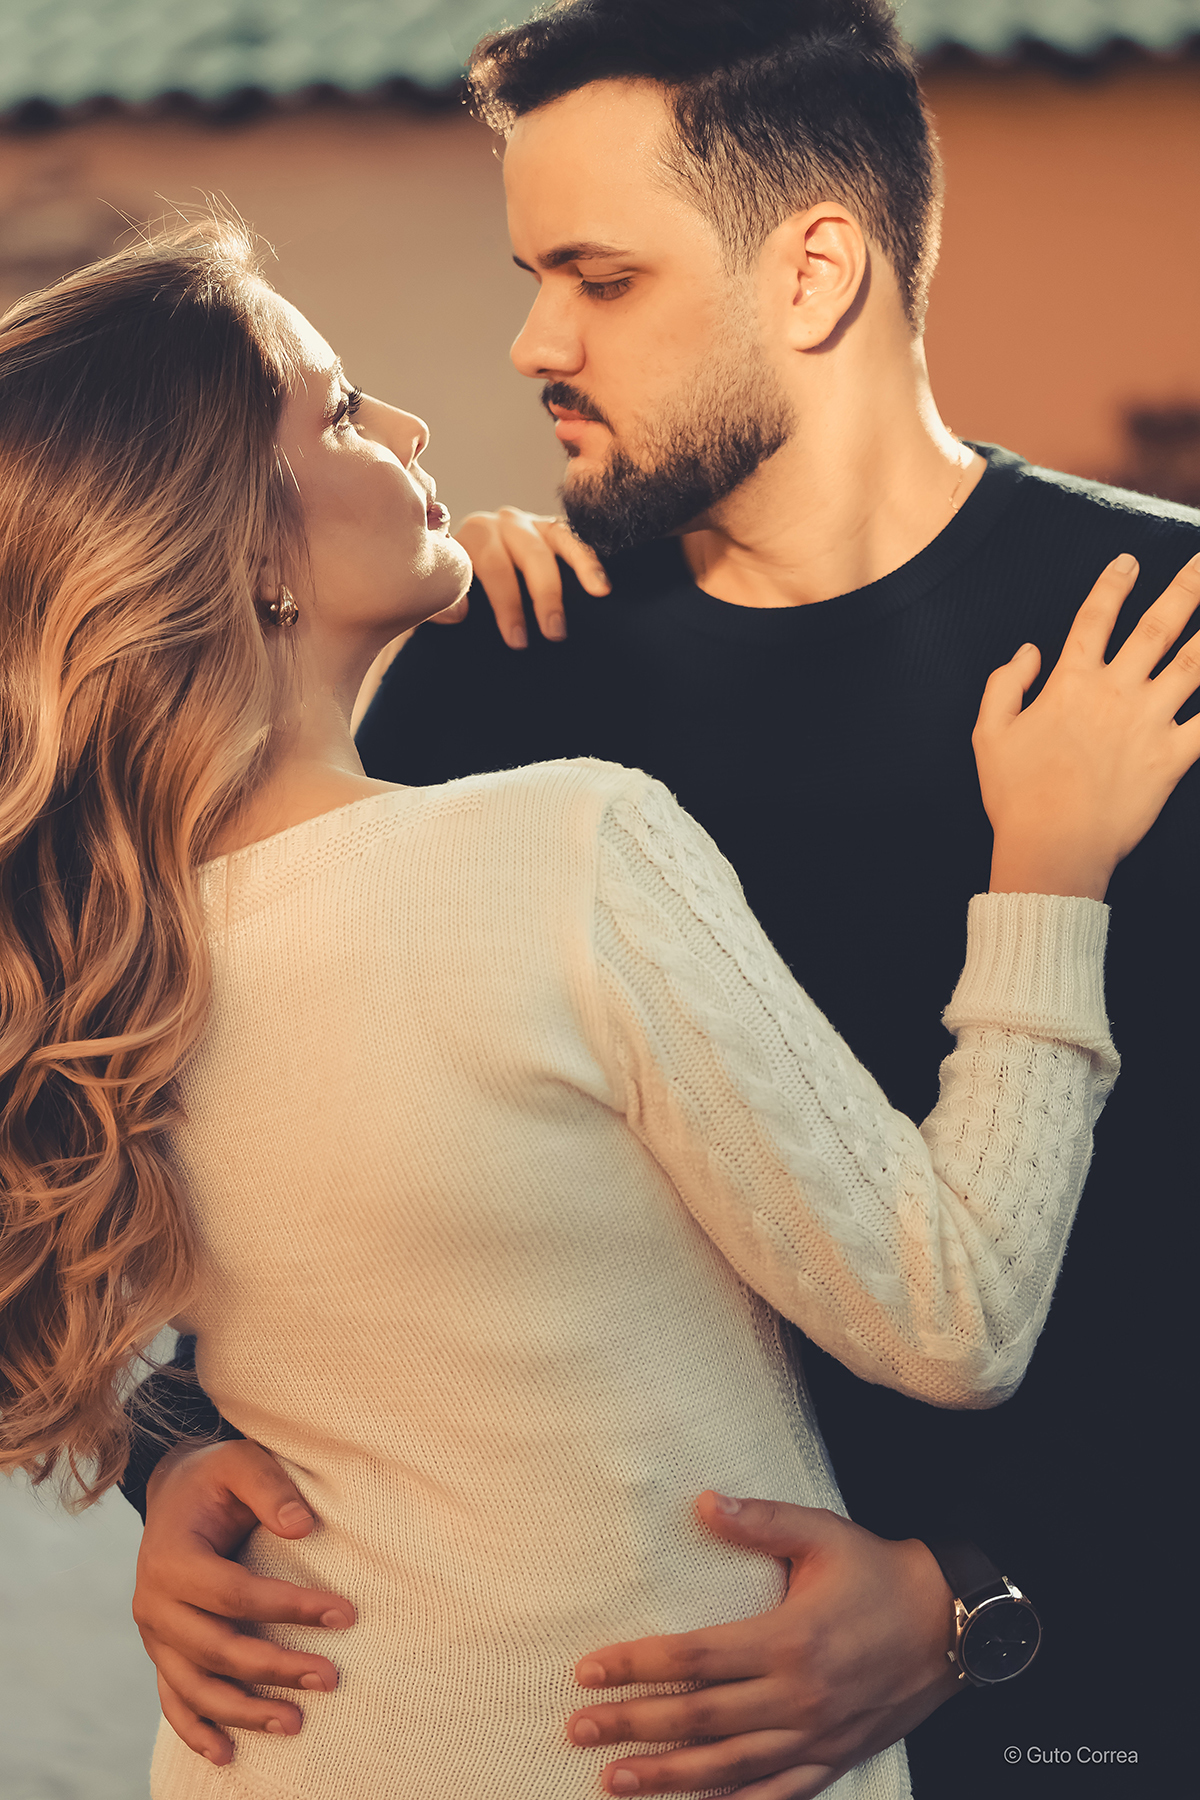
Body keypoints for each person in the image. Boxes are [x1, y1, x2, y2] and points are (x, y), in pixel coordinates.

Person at [121, 2, 1200, 1795]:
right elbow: (312, 1200)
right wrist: (180, 1462)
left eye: (601, 280)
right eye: (533, 275)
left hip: (1097, 1722)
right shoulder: (492, 672)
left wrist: (977, 1594)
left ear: (816, 274)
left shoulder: (1158, 635)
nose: (533, 342)